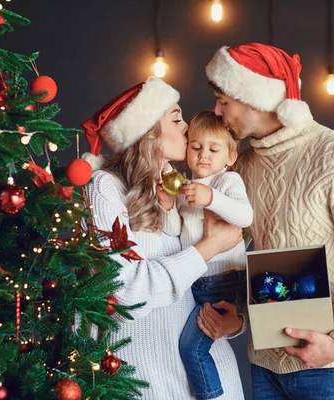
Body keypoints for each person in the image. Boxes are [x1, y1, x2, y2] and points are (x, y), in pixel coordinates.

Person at [202, 42, 334, 399]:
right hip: (264, 368)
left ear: (253, 97)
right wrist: (240, 316)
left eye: (223, 101)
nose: (216, 111)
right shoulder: (242, 166)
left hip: (332, 370)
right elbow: (235, 254)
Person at [80, 77, 246, 400]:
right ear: (147, 131)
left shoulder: (183, 191)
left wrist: (234, 322)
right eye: (176, 118)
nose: (188, 128)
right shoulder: (105, 188)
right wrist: (208, 247)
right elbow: (122, 290)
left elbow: (208, 282)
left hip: (215, 379)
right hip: (149, 381)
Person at [158, 111, 253, 400]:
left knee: (191, 348)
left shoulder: (227, 181)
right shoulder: (187, 189)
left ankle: (211, 396)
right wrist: (168, 207)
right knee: (184, 345)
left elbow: (245, 215)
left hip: (225, 282)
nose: (203, 156)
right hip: (198, 284)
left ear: (230, 156)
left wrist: (211, 198)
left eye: (214, 149)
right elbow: (176, 232)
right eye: (196, 147)